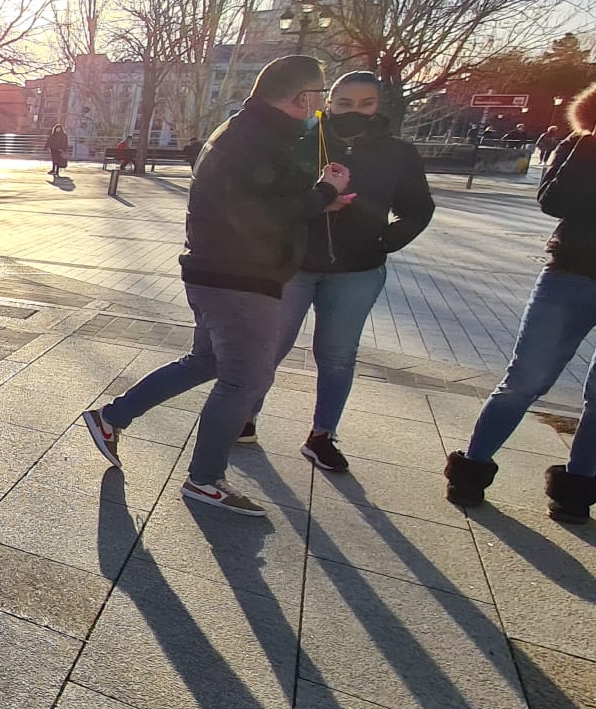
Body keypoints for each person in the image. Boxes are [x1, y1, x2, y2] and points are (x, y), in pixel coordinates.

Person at [81, 55, 350, 516]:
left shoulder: (244, 130)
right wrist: (323, 193)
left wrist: (316, 200)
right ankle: (204, 480)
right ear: (303, 97)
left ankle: (112, 418)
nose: (318, 110)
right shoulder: (260, 139)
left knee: (204, 361)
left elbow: (255, 204)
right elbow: (261, 213)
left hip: (218, 270)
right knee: (246, 378)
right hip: (239, 276)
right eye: (318, 99)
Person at [246, 72, 432, 471]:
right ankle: (244, 416)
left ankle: (322, 434)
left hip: (357, 268)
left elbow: (418, 208)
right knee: (269, 346)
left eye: (366, 104)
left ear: (378, 106)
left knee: (337, 355)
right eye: (345, 103)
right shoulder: (301, 140)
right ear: (329, 102)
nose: (354, 112)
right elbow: (270, 196)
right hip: (293, 263)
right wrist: (316, 201)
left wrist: (386, 239)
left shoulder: (397, 153)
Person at [446, 82, 596, 524]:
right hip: (569, 274)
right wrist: (591, 143)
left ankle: (576, 490)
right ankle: (471, 470)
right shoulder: (581, 144)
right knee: (524, 380)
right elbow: (553, 200)